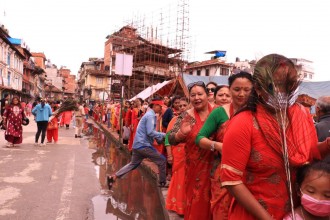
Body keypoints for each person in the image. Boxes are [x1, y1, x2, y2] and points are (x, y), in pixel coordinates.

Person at [220, 54, 319, 219]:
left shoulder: (301, 114)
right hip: (256, 213)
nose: (286, 92)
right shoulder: (243, 123)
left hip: (297, 213)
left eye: (290, 85)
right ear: (258, 89)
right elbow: (232, 181)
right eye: (278, 86)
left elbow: (312, 153)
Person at [196, 71, 253, 219]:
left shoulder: (257, 113)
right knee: (221, 211)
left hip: (251, 173)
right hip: (223, 172)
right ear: (230, 89)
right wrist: (219, 146)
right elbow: (200, 138)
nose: (241, 94)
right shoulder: (219, 113)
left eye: (247, 90)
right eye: (237, 89)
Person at [168, 81, 213, 220]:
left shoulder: (217, 112)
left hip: (215, 167)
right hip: (194, 168)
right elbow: (170, 138)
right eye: (193, 95)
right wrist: (180, 135)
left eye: (200, 94)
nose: (196, 98)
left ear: (207, 95)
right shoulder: (185, 116)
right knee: (196, 202)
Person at [107, 98, 166, 189]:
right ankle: (162, 182)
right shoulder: (150, 115)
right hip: (143, 145)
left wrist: (159, 138)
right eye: (160, 106)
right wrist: (164, 135)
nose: (161, 108)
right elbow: (150, 132)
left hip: (138, 145)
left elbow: (150, 132)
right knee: (162, 161)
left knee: (133, 164)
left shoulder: (149, 114)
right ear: (154, 106)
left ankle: (114, 176)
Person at [165, 96, 189, 215]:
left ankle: (186, 207)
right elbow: (168, 139)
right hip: (178, 152)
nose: (183, 108)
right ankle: (178, 206)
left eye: (185, 105)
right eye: (180, 106)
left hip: (191, 153)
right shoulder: (176, 120)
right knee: (179, 178)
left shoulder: (193, 119)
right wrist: (169, 156)